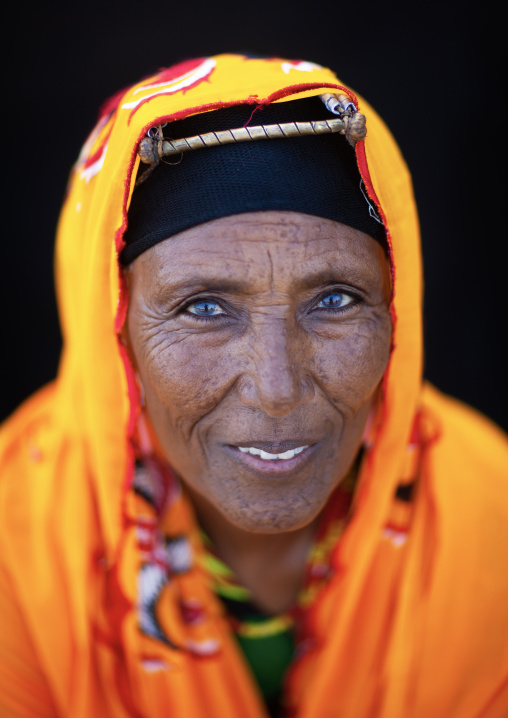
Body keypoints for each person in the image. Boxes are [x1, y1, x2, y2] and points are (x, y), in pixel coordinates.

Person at [0, 54, 507, 718]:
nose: (277, 388)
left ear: (397, 308)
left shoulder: (487, 519)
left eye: (335, 299)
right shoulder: (17, 547)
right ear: (112, 333)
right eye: (204, 307)